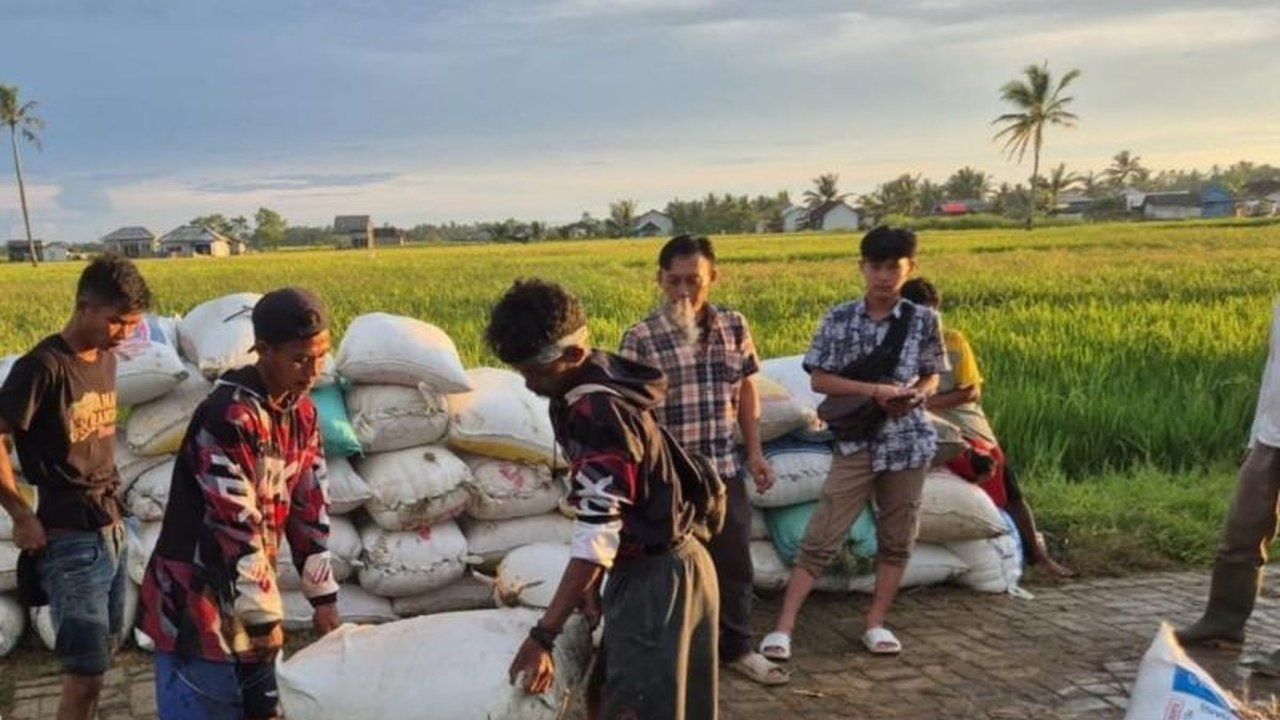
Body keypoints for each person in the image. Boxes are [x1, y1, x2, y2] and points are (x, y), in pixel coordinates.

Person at [494, 279, 718, 720]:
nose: (528, 382)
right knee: (611, 697)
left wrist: (544, 636)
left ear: (573, 354)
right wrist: (593, 587)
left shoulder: (597, 414)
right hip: (656, 569)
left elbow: (598, 533)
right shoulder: (594, 381)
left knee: (634, 710)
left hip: (658, 582)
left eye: (535, 372)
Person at [139, 287, 341, 720]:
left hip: (249, 586)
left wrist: (323, 598)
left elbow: (310, 506)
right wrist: (264, 618)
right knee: (210, 708)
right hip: (197, 596)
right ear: (262, 351)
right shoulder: (228, 417)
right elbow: (235, 523)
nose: (313, 370)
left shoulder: (302, 414)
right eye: (301, 358)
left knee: (266, 707)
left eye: (321, 355)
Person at [759, 226, 944, 661]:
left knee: (898, 534)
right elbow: (820, 378)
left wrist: (918, 392)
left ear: (909, 268)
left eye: (893, 268)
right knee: (824, 530)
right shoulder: (840, 318)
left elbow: (933, 372)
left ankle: (876, 623)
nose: (883, 276)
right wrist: (874, 391)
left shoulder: (924, 320)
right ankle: (783, 628)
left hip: (907, 441)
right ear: (862, 267)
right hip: (856, 440)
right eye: (875, 267)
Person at [619, 234, 787, 686]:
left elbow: (747, 389)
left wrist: (754, 453)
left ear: (713, 276)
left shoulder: (734, 327)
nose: (683, 292)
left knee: (734, 566)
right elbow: (632, 417)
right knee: (667, 571)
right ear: (659, 280)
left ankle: (737, 649)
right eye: (673, 281)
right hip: (670, 482)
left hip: (724, 471)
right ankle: (674, 657)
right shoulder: (641, 338)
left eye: (693, 280)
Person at [0, 255, 151, 720]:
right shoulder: (41, 367)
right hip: (69, 537)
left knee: (100, 663)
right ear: (84, 306)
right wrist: (21, 514)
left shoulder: (104, 359)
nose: (124, 332)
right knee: (83, 677)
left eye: (132, 323)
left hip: (110, 526)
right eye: (117, 321)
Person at [900, 277, 1071, 578]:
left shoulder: (953, 341)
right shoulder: (897, 345)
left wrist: (921, 402)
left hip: (968, 430)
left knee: (1010, 493)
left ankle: (1038, 556)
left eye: (929, 314)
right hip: (928, 434)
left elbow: (970, 392)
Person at [1176, 302, 1280, 672]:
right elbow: (1274, 372)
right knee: (1243, 528)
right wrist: (1255, 437)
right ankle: (1223, 621)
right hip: (1272, 435)